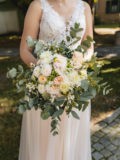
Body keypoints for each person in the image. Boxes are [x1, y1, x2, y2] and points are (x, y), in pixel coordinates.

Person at [19, 0, 93, 160]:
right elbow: (25, 50)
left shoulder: (84, 7)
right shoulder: (38, 6)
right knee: (45, 141)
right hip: (44, 86)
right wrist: (43, 69)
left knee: (71, 139)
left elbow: (89, 46)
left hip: (76, 85)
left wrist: (80, 63)